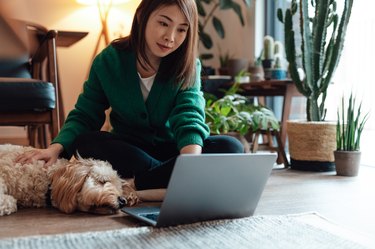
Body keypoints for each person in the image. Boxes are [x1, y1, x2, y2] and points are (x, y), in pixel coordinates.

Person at [16, 0, 244, 191]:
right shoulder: (108, 61)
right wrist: (55, 148)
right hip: (130, 150)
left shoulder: (188, 66)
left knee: (232, 147)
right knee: (86, 142)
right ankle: (169, 179)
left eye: (181, 29)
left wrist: (190, 163)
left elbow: (189, 115)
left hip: (173, 149)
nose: (170, 37)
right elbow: (86, 114)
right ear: (142, 16)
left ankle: (144, 183)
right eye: (163, 23)